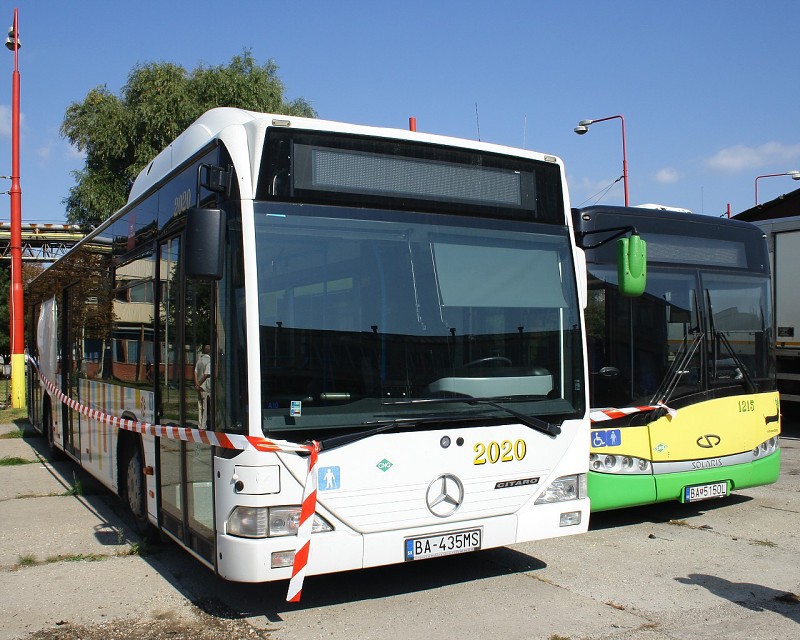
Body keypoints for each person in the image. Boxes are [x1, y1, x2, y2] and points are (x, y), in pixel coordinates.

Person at [194, 344, 211, 428]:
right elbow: (206, 374)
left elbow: (195, 372)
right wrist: (199, 383)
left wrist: (196, 383)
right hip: (206, 387)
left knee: (200, 405)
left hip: (199, 387)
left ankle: (199, 423)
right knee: (205, 407)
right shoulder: (209, 361)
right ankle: (203, 425)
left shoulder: (199, 360)